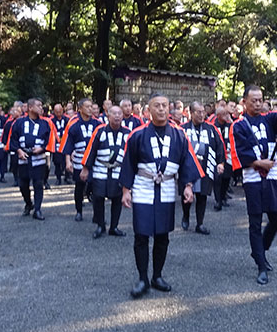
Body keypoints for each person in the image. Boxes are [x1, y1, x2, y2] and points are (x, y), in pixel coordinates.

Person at [119, 93, 202, 298]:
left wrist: (188, 186)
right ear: (149, 110)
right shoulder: (137, 135)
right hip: (143, 187)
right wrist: (126, 190)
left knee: (163, 235)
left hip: (166, 188)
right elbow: (128, 163)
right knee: (141, 234)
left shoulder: (179, 135)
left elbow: (187, 161)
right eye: (157, 106)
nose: (162, 109)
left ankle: (157, 276)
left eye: (165, 105)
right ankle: (142, 279)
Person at [230, 86, 277, 284]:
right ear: (245, 102)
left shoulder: (268, 119)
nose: (258, 103)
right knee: (255, 221)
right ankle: (261, 265)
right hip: (253, 177)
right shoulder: (239, 125)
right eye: (254, 100)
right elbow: (239, 152)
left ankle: (260, 248)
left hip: (271, 176)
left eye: (260, 100)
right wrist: (259, 163)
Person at [79, 105, 131, 238]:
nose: (117, 116)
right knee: (98, 197)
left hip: (118, 170)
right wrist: (85, 168)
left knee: (117, 199)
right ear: (108, 115)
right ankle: (100, 225)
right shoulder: (100, 131)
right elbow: (91, 150)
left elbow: (132, 154)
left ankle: (114, 227)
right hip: (100, 169)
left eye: (119, 114)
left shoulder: (128, 133)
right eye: (114, 113)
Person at [181, 101, 225, 234]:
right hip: (188, 167)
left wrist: (220, 163)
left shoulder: (211, 129)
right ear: (191, 113)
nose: (201, 115)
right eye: (198, 112)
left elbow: (219, 146)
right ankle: (186, 216)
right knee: (187, 195)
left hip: (205, 166)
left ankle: (200, 223)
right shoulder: (182, 129)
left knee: (202, 195)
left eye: (203, 112)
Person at [9, 99, 56, 220]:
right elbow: (13, 139)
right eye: (38, 105)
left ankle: (38, 210)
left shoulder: (45, 123)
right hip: (23, 158)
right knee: (23, 184)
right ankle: (28, 203)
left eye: (41, 105)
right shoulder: (19, 123)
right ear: (30, 108)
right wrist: (19, 151)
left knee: (38, 184)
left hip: (39, 159)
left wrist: (42, 148)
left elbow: (49, 140)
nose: (41, 108)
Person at [62, 98, 103, 222]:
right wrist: (68, 161)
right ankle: (79, 211)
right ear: (80, 109)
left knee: (96, 187)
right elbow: (68, 144)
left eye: (91, 106)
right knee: (79, 186)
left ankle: (98, 215)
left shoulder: (98, 123)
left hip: (95, 160)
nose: (90, 109)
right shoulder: (73, 124)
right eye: (87, 106)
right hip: (79, 159)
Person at [212, 105, 234, 211]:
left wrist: (230, 120)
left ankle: (223, 196)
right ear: (218, 116)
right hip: (217, 156)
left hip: (228, 155)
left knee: (226, 178)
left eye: (227, 114)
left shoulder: (229, 125)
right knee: (218, 179)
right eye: (224, 114)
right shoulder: (213, 127)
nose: (226, 116)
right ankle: (218, 200)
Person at [49, 103, 70, 185]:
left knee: (66, 161)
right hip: (56, 144)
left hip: (65, 143)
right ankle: (58, 178)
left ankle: (67, 177)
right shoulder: (51, 120)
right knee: (57, 162)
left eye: (60, 111)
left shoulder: (67, 119)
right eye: (57, 111)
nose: (58, 113)